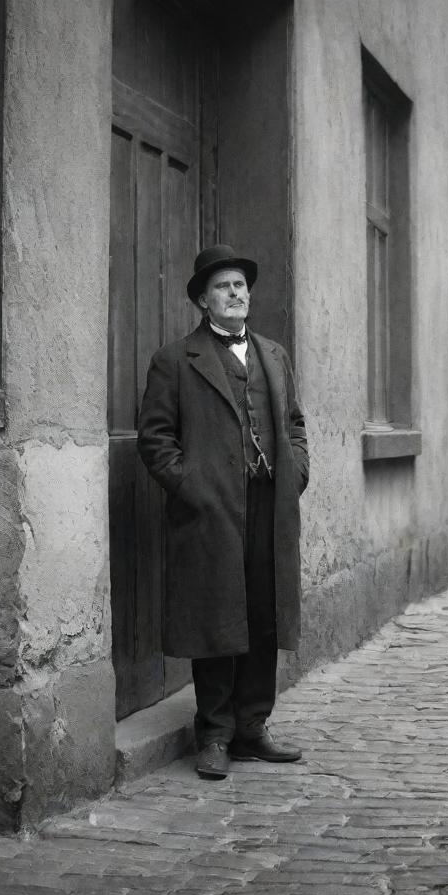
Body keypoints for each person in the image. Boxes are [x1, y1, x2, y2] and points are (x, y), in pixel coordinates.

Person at [137, 244, 309, 780]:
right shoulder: (176, 360)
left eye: (240, 285)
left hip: (268, 506)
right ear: (202, 301)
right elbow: (155, 439)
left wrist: (295, 473)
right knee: (213, 617)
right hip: (210, 510)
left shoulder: (273, 355)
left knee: (264, 611)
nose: (236, 293)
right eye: (223, 287)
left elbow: (296, 425)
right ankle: (213, 733)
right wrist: (193, 488)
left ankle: (253, 728)